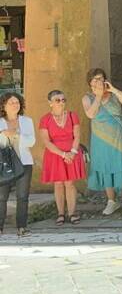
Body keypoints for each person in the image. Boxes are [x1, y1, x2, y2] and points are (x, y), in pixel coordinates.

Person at [83, 68, 122, 216]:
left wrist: (114, 90)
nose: (98, 82)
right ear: (90, 83)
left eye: (101, 78)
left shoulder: (113, 94)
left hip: (118, 137)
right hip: (101, 138)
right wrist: (99, 97)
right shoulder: (87, 98)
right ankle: (111, 201)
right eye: (95, 79)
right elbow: (91, 114)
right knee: (105, 168)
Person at [39, 90, 86, 227]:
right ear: (50, 103)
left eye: (63, 100)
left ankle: (72, 213)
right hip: (55, 155)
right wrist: (63, 154)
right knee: (58, 184)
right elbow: (47, 142)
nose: (61, 102)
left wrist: (72, 152)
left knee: (70, 184)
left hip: (72, 152)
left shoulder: (72, 116)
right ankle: (60, 213)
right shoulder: (45, 119)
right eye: (57, 100)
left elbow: (77, 136)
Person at [0, 92, 35, 236]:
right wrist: (3, 134)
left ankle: (22, 227)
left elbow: (32, 141)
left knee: (22, 196)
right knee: (1, 197)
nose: (15, 105)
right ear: (4, 106)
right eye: (11, 102)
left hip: (24, 162)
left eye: (17, 102)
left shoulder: (27, 121)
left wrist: (16, 134)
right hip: (4, 164)